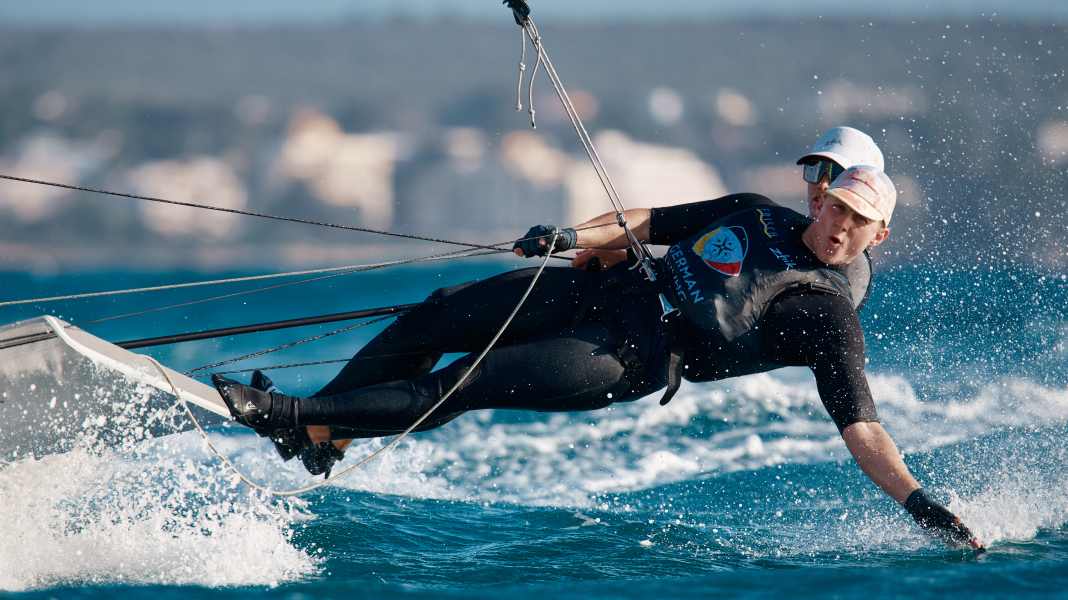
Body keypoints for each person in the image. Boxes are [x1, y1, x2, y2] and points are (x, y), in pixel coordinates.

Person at [212, 152, 985, 549]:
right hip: (601, 290)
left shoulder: (826, 316)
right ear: (825, 196)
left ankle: (291, 415)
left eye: (858, 221)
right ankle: (328, 432)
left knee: (467, 380)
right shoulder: (755, 213)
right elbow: (649, 221)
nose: (839, 224)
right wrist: (571, 237)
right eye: (837, 204)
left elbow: (864, 427)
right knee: (437, 316)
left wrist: (918, 504)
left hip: (627, 356)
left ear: (876, 235)